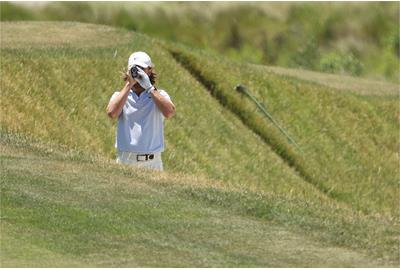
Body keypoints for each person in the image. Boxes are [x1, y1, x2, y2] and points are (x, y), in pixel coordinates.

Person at [106, 51, 175, 171]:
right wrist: (129, 84)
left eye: (141, 69)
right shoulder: (120, 95)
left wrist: (149, 88)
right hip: (125, 160)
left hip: (152, 163)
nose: (137, 72)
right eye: (134, 68)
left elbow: (169, 112)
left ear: (149, 71)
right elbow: (112, 113)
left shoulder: (159, 95)